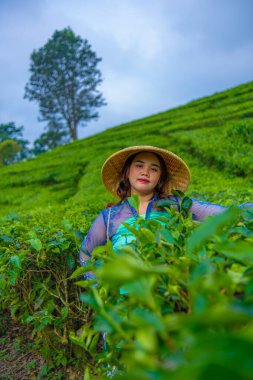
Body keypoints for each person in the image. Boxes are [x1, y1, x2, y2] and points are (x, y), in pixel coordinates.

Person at [79, 145, 252, 276]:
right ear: (127, 172)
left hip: (169, 297)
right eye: (139, 166)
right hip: (123, 305)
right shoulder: (109, 217)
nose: (145, 172)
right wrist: (98, 287)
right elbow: (85, 254)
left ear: (160, 177)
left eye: (154, 169)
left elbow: (226, 214)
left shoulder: (174, 204)